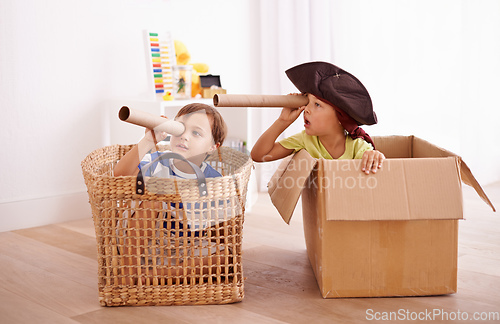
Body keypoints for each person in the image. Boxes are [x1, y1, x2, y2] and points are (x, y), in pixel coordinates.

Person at [114, 103, 229, 284]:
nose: (184, 137)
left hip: (187, 247)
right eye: (180, 129)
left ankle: (156, 277)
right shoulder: (157, 163)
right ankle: (130, 271)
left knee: (227, 257)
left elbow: (220, 229)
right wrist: (148, 141)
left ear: (213, 147)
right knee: (154, 200)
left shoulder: (213, 180)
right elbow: (120, 176)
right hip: (145, 243)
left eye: (196, 133)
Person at [251, 61, 385, 173]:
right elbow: (259, 155)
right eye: (306, 102)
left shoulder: (358, 146)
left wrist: (374, 155)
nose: (306, 110)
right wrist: (283, 121)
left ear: (341, 117)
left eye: (317, 104)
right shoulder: (305, 140)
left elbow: (374, 166)